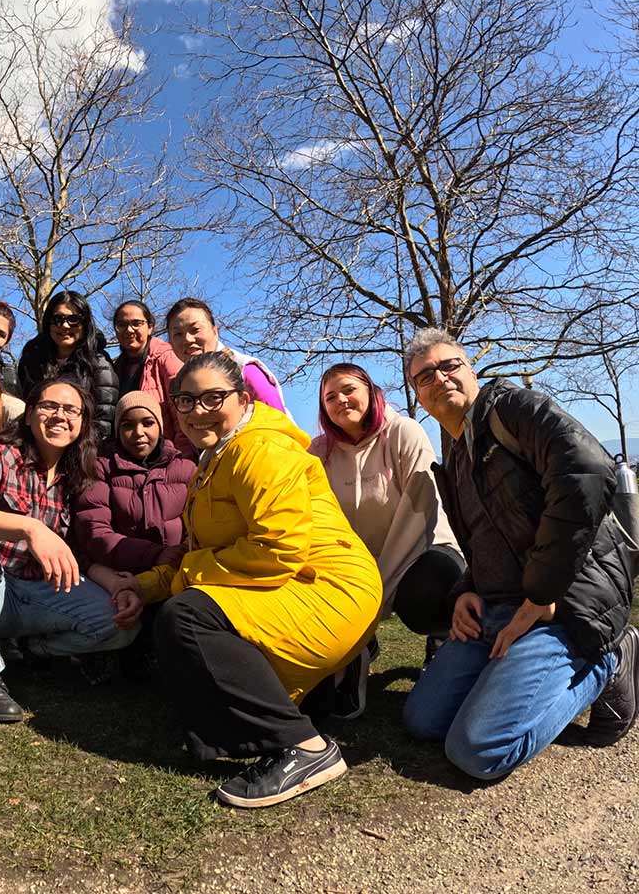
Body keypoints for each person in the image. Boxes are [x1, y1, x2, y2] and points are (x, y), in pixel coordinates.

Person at [111, 352, 382, 808]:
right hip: (293, 586)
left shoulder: (259, 448)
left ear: (242, 397)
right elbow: (197, 556)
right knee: (199, 714)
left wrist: (186, 582)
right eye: (185, 400)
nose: (197, 410)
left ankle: (303, 748)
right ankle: (322, 689)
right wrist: (143, 585)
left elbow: (278, 549)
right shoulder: (216, 458)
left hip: (329, 589)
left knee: (188, 615)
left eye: (213, 397)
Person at [401, 328, 638, 779]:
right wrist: (466, 589)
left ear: (470, 369)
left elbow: (587, 469)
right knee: (422, 721)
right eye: (424, 376)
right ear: (417, 395)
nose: (440, 377)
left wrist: (542, 593)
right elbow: (487, 536)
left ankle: (609, 659)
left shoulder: (511, 408)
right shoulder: (453, 455)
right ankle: (505, 683)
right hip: (496, 609)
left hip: (562, 607)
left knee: (477, 752)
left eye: (449, 365)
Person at [0, 378, 137, 722]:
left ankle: (30, 651)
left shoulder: (78, 474)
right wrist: (29, 527)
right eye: (49, 406)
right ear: (30, 413)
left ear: (82, 423)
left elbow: (78, 554)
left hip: (38, 592)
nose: (59, 416)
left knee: (121, 623)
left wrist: (117, 586)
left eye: (71, 410)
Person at [307, 362, 464, 717]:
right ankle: (353, 655)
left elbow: (419, 514)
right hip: (355, 565)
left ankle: (442, 642)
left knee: (431, 589)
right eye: (330, 397)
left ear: (370, 392)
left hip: (419, 551)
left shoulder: (403, 432)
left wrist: (375, 596)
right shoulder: (317, 453)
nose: (341, 400)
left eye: (349, 389)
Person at [75, 391, 195, 576]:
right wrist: (154, 555)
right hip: (122, 576)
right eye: (127, 425)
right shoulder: (101, 469)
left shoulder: (187, 470)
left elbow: (200, 526)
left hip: (178, 572)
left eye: (148, 423)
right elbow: (94, 531)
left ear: (160, 427)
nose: (138, 433)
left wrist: (179, 556)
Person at [17, 291, 118, 440]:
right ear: (48, 322)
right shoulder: (32, 359)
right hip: (35, 446)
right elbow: (24, 405)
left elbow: (103, 422)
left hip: (81, 448)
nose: (65, 325)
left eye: (73, 319)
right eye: (58, 319)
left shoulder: (99, 364)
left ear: (84, 324)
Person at [164, 298, 290, 416]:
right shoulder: (180, 384)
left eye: (195, 329)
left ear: (215, 331)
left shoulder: (245, 370)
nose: (187, 339)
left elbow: (278, 420)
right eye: (178, 334)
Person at [111, 300, 193, 455]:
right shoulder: (116, 367)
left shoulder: (166, 358)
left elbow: (182, 414)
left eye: (136, 323)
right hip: (126, 454)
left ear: (150, 327)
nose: (129, 330)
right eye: (121, 324)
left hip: (165, 456)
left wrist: (183, 457)